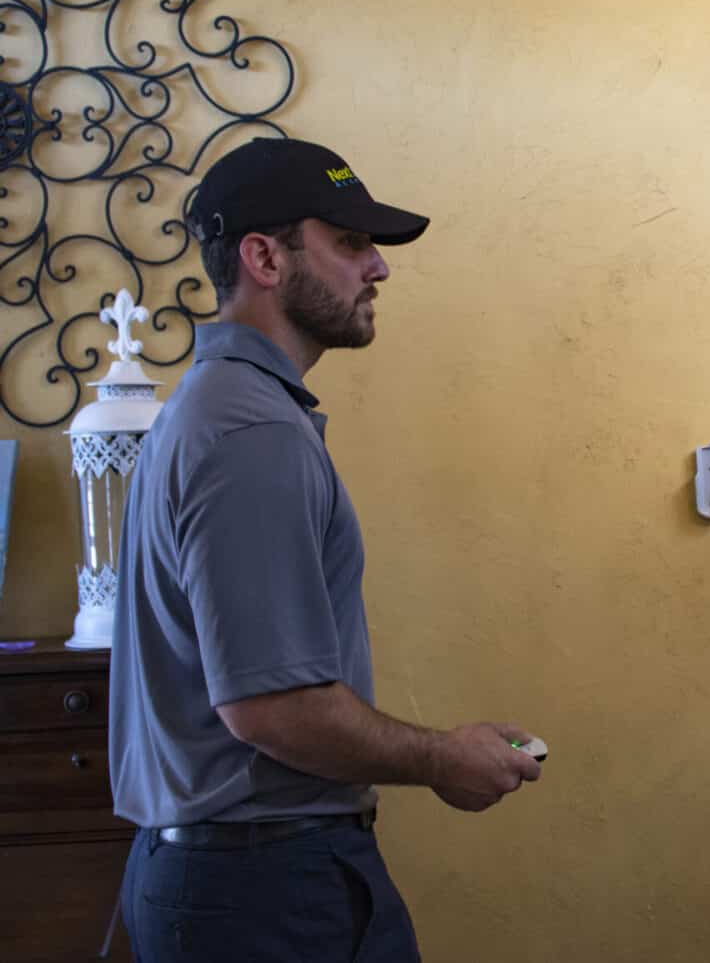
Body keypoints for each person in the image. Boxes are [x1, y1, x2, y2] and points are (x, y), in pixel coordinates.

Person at [109, 137, 543, 962]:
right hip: (263, 895)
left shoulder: (228, 411)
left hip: (246, 880)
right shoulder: (247, 431)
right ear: (265, 257)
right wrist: (445, 758)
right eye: (349, 243)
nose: (376, 268)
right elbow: (274, 707)